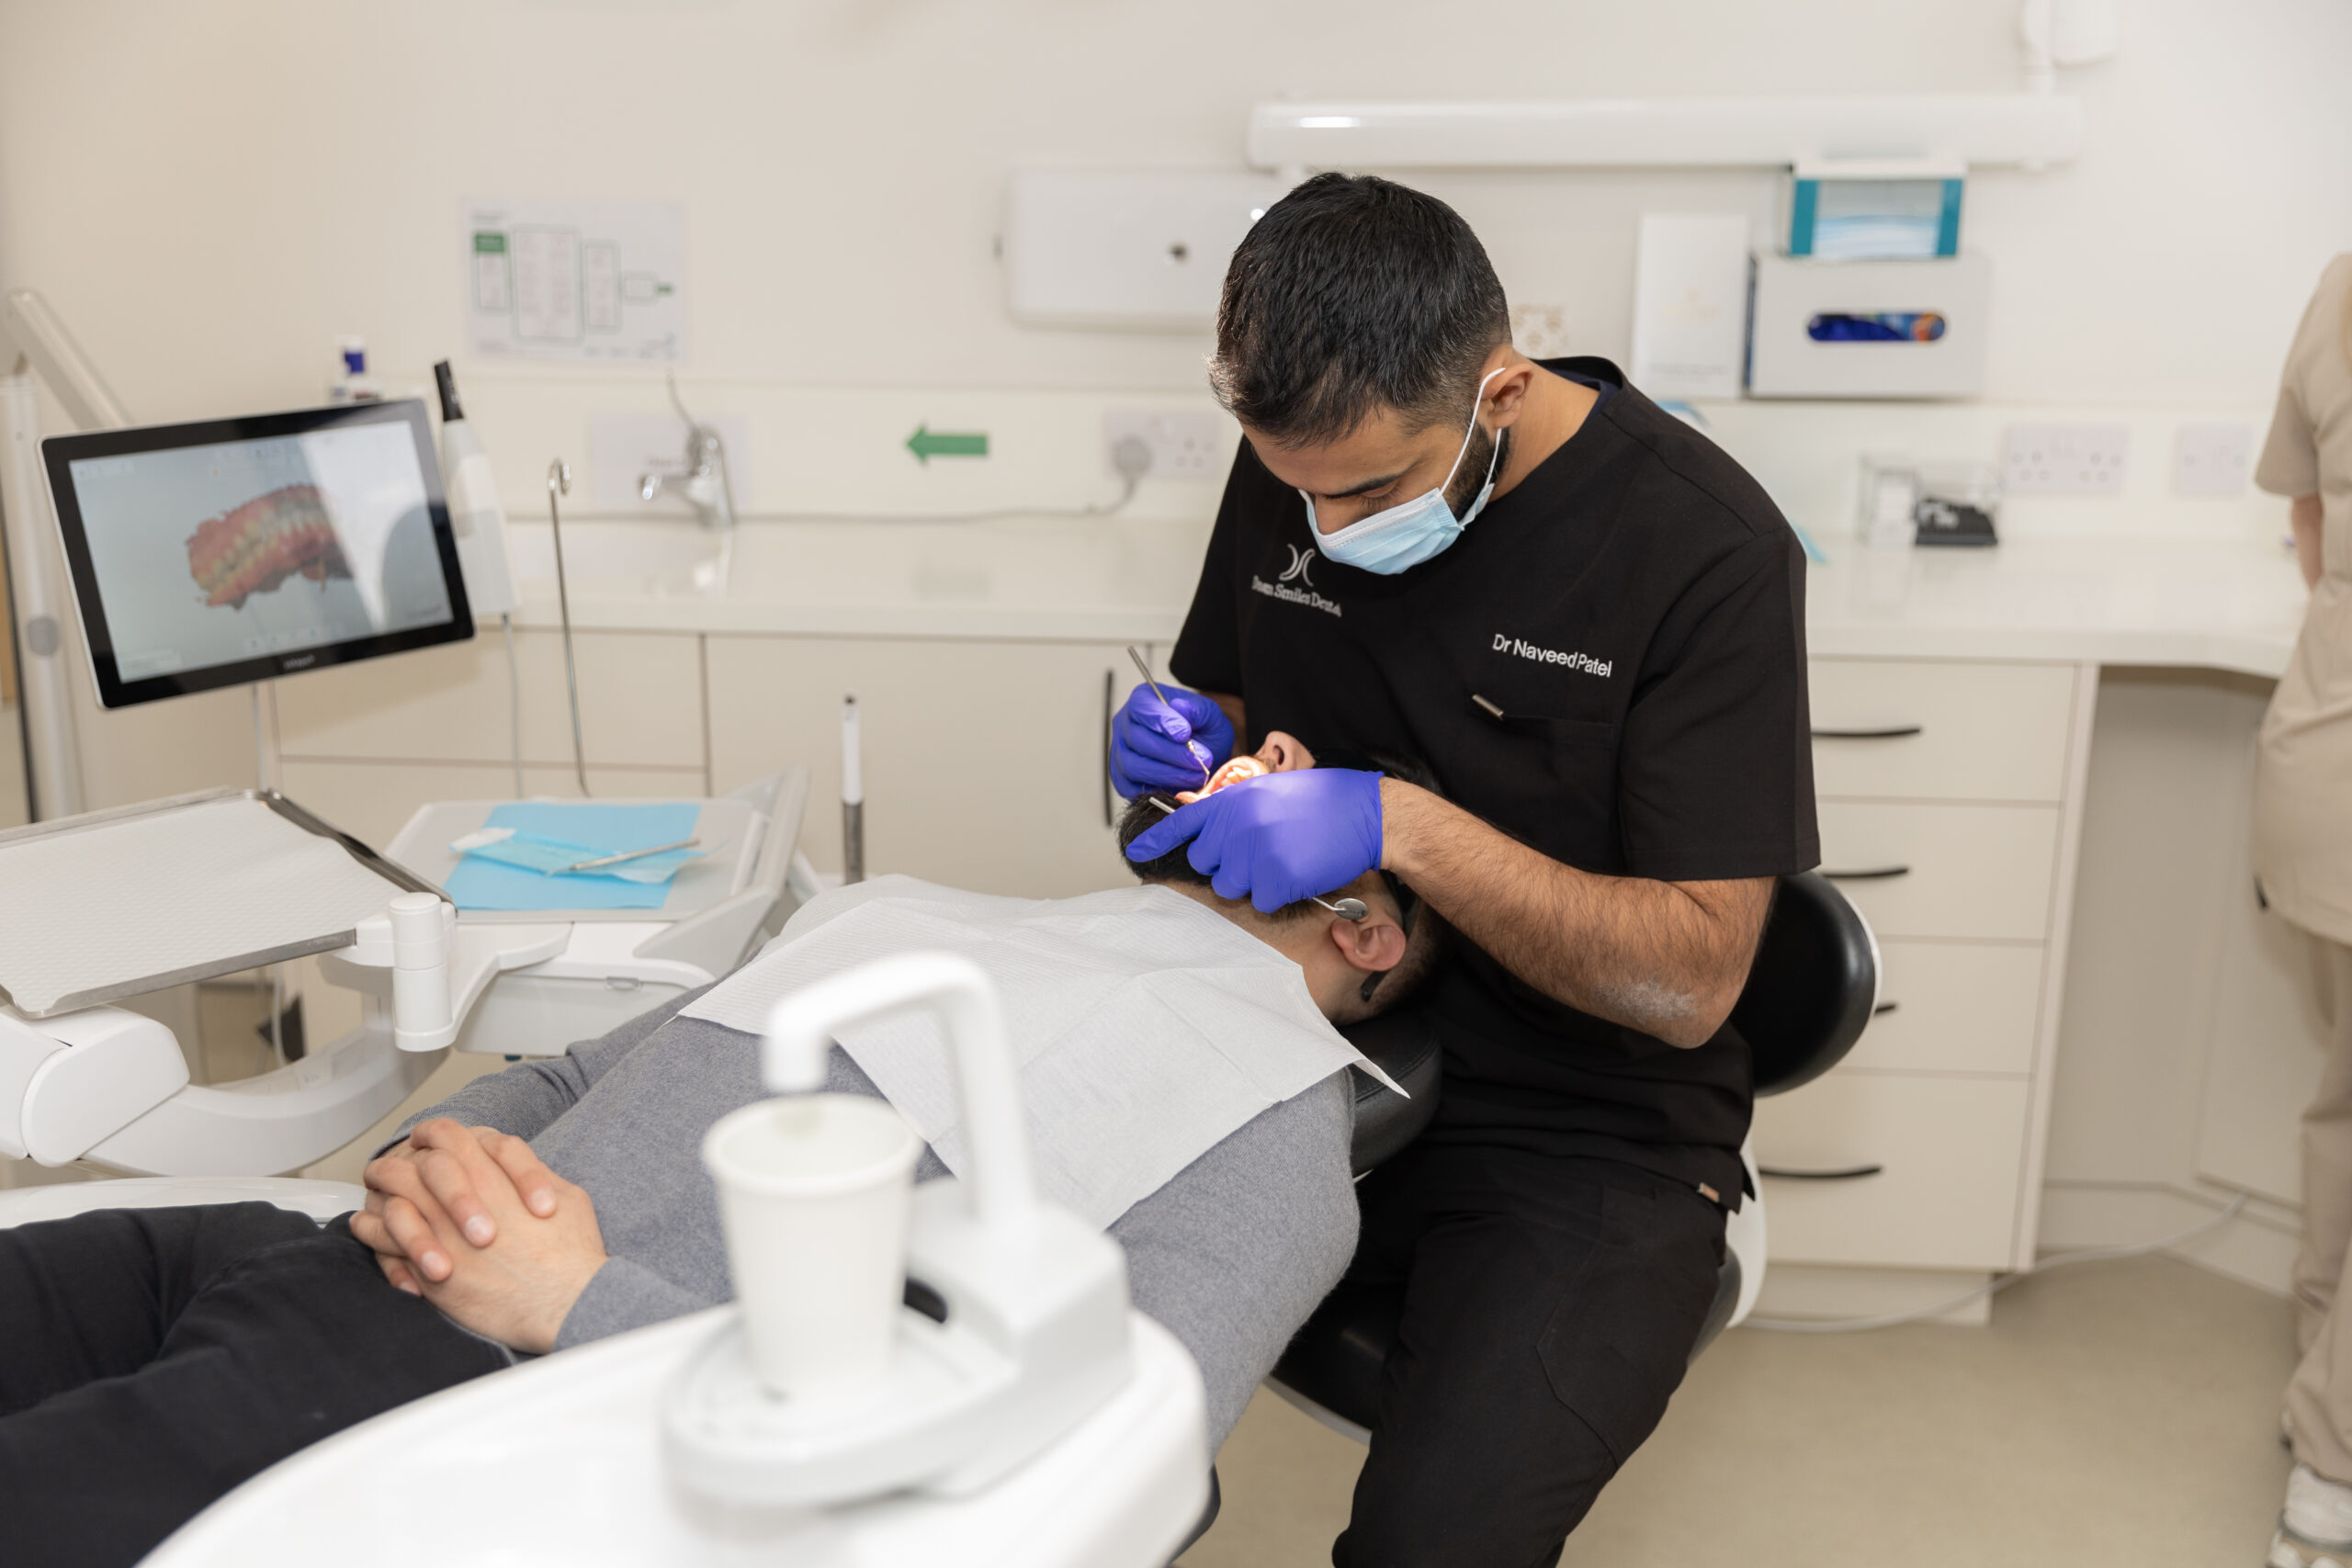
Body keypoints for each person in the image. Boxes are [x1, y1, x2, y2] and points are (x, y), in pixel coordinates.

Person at [0, 775, 1442, 1568]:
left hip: (462, 1388)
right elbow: (575, 1077)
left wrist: (575, 1302)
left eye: (1311, 800)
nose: (1259, 770)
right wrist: (439, 1154)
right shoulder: (917, 911)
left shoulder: (1273, 1151)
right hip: (337, 1249)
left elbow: (1057, 1461)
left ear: (1365, 933)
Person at [1112, 173, 1818, 1567]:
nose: (1322, 522)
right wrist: (1183, 772)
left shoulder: (1700, 549)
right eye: (1289, 483)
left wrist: (1401, 825)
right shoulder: (1303, 466)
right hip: (1301, 1055)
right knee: (1011, 1390)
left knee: (1433, 1544)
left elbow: (1689, 984)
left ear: (1500, 387)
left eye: (1369, 488)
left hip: (1584, 1123)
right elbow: (1221, 757)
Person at [2253, 253, 2352, 1568]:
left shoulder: (2347, 282)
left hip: (2327, 768)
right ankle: (2336, 1464)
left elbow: (2312, 529)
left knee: (2347, 1100)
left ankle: (2323, 1353)